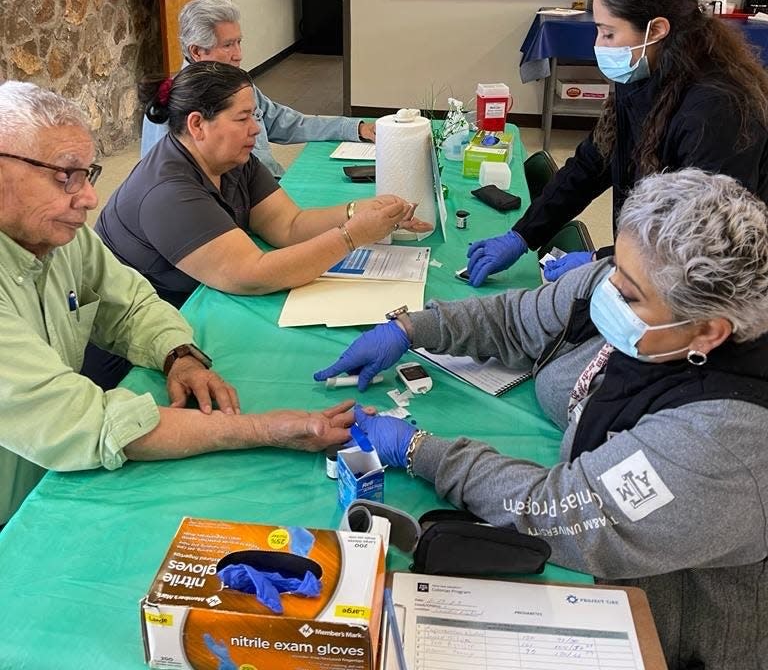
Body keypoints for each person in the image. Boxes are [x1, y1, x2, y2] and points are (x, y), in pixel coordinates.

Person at [315, 169, 768, 669]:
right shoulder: (632, 292)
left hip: (662, 635)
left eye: (631, 295)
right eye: (615, 266)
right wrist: (413, 327)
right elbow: (517, 318)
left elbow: (559, 511)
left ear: (707, 332)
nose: (607, 293)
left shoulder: (724, 441)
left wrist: (421, 449)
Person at [0, 81, 357, 528]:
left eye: (87, 174)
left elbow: (128, 303)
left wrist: (177, 355)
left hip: (47, 477)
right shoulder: (157, 188)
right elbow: (84, 421)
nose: (90, 197)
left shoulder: (57, 236)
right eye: (64, 175)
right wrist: (263, 429)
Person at [467, 0, 768, 286]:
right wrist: (522, 235)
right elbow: (591, 165)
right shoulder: (645, 75)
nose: (599, 45)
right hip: (652, 264)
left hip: (712, 281)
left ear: (657, 29)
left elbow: (703, 235)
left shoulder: (719, 109)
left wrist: (605, 259)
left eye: (608, 34)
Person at [96, 62, 430, 308]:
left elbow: (288, 224)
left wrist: (358, 210)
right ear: (197, 124)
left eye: (254, 116)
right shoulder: (168, 192)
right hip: (139, 339)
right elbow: (250, 274)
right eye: (242, 119)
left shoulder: (232, 160)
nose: (256, 129)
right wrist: (352, 235)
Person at [140, 0, 375, 177]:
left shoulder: (237, 84)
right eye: (228, 45)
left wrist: (353, 128)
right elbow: (164, 182)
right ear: (197, 51)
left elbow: (285, 122)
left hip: (271, 185)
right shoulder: (174, 102)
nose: (238, 55)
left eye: (239, 42)